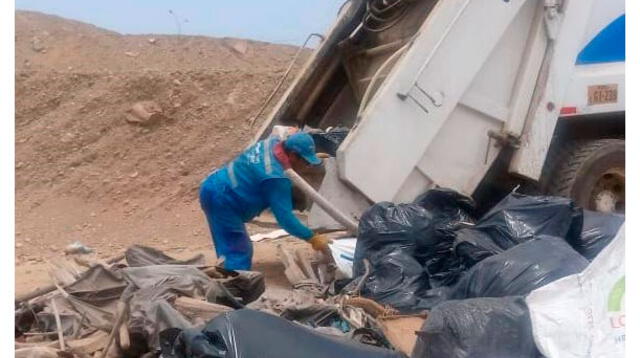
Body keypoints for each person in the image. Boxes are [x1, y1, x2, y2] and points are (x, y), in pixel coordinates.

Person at [199, 131, 331, 270]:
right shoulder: (275, 179)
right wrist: (312, 238)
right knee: (238, 250)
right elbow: (286, 220)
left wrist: (310, 158)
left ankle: (226, 274)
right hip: (223, 200)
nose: (306, 166)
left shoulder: (271, 143)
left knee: (228, 245)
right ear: (292, 155)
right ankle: (234, 286)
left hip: (216, 185)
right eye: (305, 162)